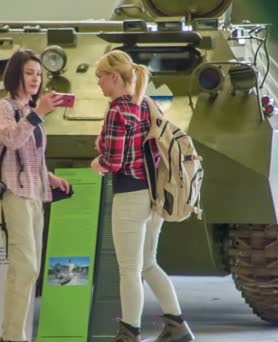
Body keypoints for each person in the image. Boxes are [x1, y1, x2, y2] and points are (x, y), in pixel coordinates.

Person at [90, 50, 195, 342]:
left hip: (129, 196)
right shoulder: (144, 105)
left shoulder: (117, 110)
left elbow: (114, 161)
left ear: (113, 77)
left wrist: (95, 163)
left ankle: (129, 334)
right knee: (148, 263)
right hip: (154, 195)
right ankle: (177, 325)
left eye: (100, 77)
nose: (98, 83)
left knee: (128, 269)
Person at [0, 49, 70, 342]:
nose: (36, 79)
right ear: (15, 76)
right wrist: (39, 113)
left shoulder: (28, 111)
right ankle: (12, 337)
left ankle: (13, 335)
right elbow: (11, 140)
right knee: (24, 267)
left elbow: (32, 156)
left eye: (38, 74)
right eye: (29, 73)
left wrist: (50, 178)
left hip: (35, 194)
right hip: (14, 195)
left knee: (27, 270)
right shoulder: (5, 108)